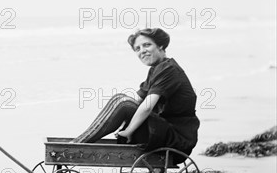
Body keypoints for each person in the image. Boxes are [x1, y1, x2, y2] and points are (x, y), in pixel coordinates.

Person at [72, 28, 200, 157]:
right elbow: (137, 100)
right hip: (161, 130)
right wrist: (123, 122)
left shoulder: (169, 69)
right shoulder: (157, 69)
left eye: (147, 45)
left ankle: (76, 145)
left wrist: (128, 130)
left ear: (160, 45)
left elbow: (147, 106)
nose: (142, 51)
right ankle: (80, 142)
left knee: (124, 103)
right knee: (120, 98)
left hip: (176, 139)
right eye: (137, 49)